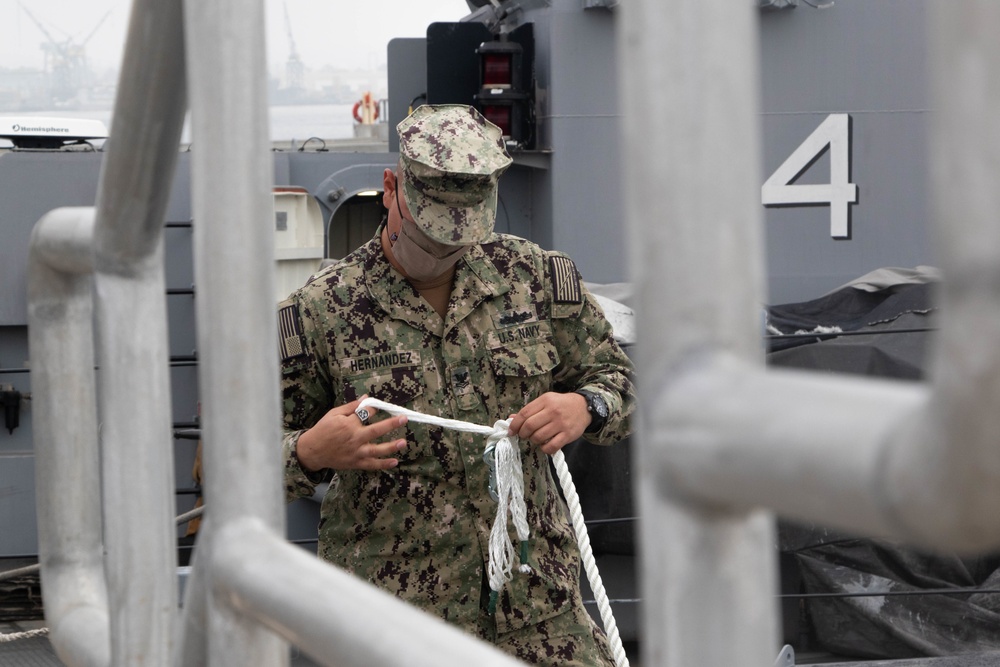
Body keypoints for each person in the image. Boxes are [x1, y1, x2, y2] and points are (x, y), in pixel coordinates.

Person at [279, 104, 635, 666]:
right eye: (431, 236)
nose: (444, 252)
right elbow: (233, 460)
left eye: (459, 240)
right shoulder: (323, 311)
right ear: (391, 190)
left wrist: (584, 406)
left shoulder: (536, 280)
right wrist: (309, 452)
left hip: (538, 607)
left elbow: (619, 383)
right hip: (396, 622)